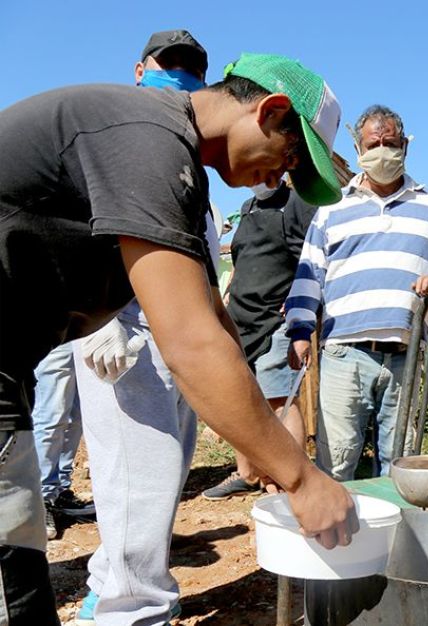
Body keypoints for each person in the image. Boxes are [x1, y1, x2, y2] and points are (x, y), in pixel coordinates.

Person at [0, 52, 358, 626]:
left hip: (8, 370)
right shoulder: (148, 137)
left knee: (17, 566)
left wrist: (254, 438)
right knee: (11, 589)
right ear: (270, 110)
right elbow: (189, 342)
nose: (280, 178)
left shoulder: (182, 170)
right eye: (290, 157)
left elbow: (214, 318)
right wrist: (300, 476)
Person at [70, 30, 217, 626]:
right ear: (140, 69)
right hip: (123, 335)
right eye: (169, 66)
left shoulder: (182, 151)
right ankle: (130, 612)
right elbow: (91, 226)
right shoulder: (123, 130)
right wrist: (102, 318)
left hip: (171, 333)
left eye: (190, 70)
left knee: (153, 483)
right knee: (137, 477)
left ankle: (107, 584)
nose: (179, 78)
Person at [286, 105, 428, 480]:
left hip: (406, 354)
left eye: (391, 143)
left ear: (406, 146)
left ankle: (395, 537)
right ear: (358, 148)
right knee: (336, 464)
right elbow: (309, 274)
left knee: (401, 465)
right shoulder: (331, 207)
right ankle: (342, 539)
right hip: (344, 354)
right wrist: (300, 331)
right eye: (374, 144)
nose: (383, 151)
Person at [201, 176, 315, 500]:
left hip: (274, 320)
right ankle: (248, 473)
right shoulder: (247, 208)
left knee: (280, 399)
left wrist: (298, 298)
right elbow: (240, 261)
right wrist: (225, 297)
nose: (257, 178)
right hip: (240, 320)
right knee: (240, 397)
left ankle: (294, 478)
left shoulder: (296, 204)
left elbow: (313, 259)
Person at [30, 343, 95, 541]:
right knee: (51, 415)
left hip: (84, 327)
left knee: (76, 415)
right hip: (55, 326)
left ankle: (58, 491)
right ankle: (38, 501)